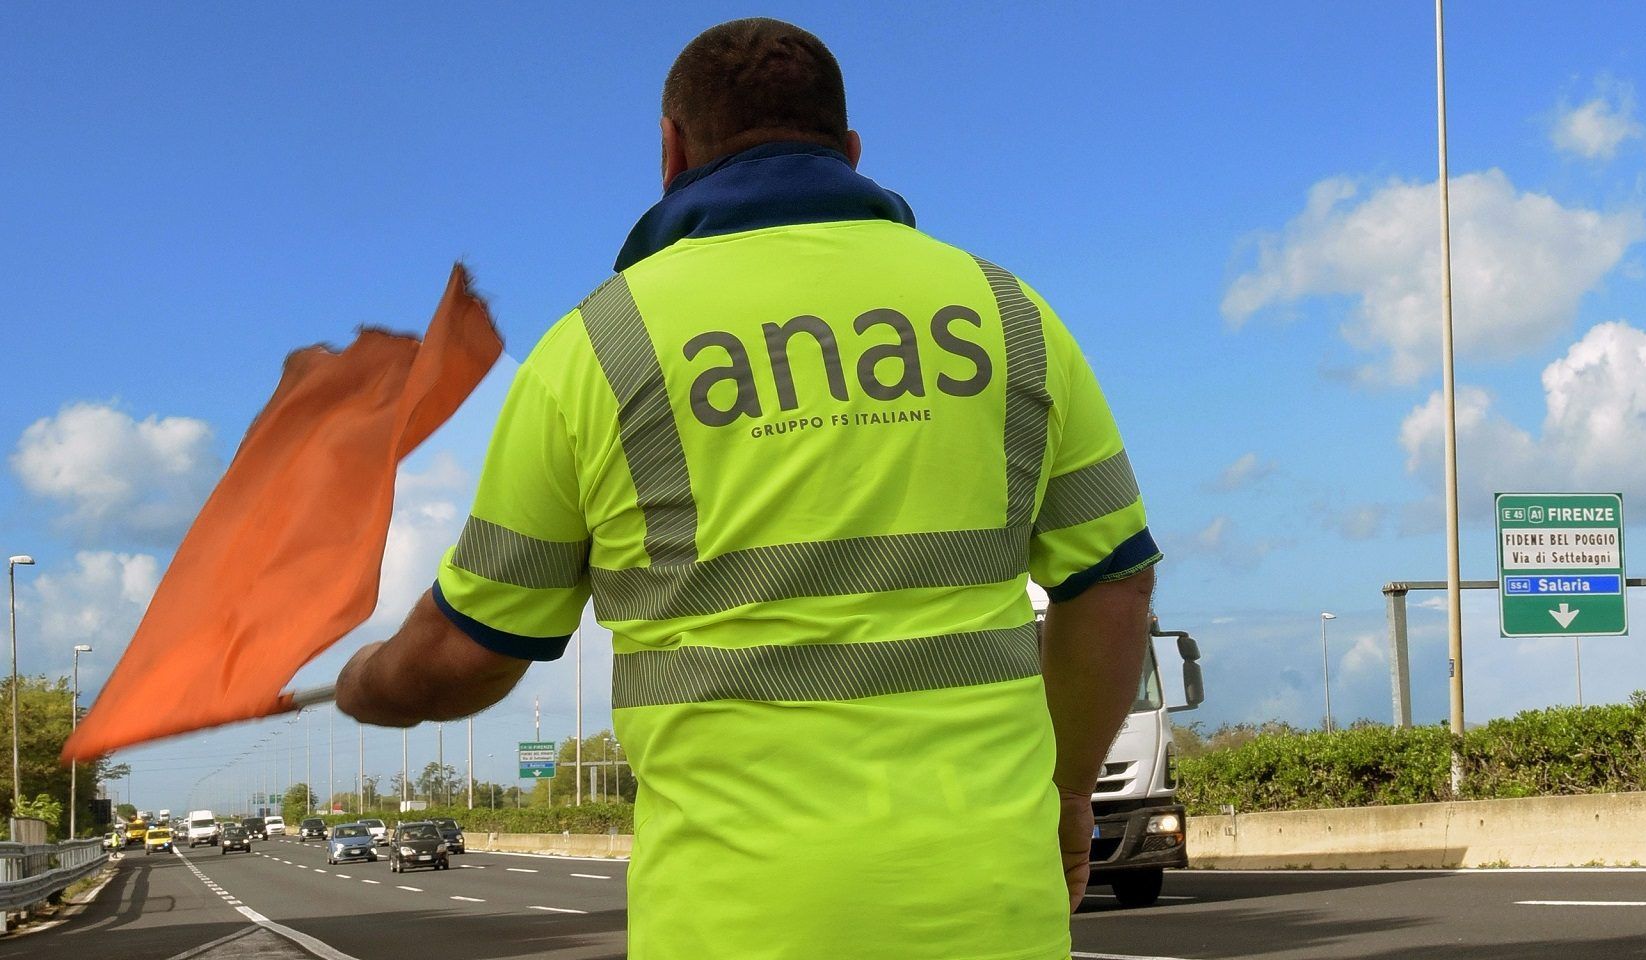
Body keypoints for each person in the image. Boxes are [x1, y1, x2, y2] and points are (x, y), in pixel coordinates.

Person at [335, 17, 1158, 960]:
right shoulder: (1011, 315)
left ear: (671, 150)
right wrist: (1066, 791)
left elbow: (466, 655)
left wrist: (369, 688)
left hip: (730, 926)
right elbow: (1113, 585)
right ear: (850, 151)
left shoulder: (596, 351)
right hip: (991, 913)